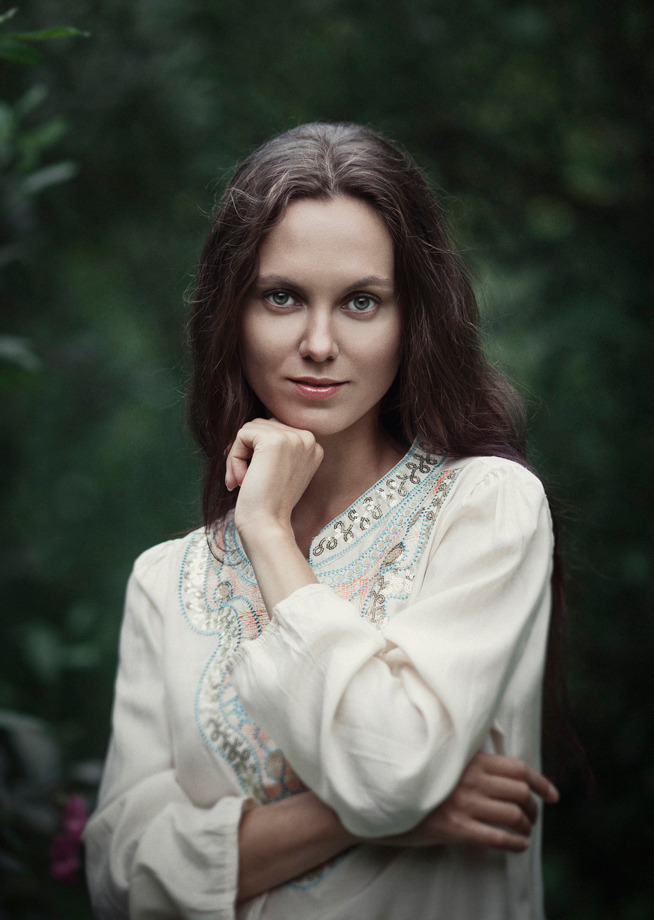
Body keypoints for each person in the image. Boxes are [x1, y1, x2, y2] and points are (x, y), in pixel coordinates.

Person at [84, 122, 561, 919]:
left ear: (413, 322)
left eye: (361, 302)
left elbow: (396, 768)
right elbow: (121, 874)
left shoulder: (487, 508)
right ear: (230, 315)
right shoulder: (164, 582)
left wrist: (267, 533)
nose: (317, 343)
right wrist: (394, 818)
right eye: (282, 297)